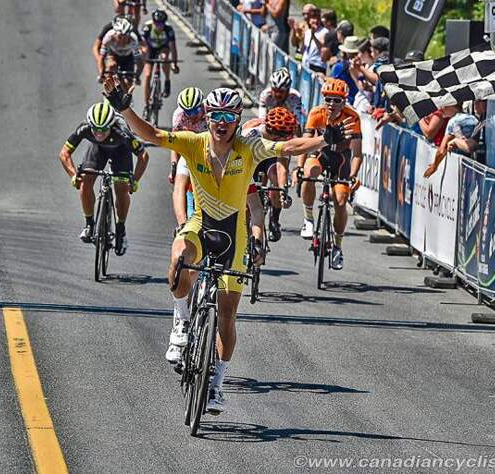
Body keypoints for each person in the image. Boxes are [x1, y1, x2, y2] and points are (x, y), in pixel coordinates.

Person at [103, 79, 358, 413]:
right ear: (207, 117)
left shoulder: (249, 147)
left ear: (238, 119)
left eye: (229, 116)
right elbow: (152, 134)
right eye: (215, 116)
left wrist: (323, 139)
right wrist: (123, 108)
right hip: (202, 223)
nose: (221, 122)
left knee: (227, 315)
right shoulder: (193, 143)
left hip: (232, 234)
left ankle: (217, 384)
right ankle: (180, 323)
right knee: (180, 258)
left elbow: (288, 148)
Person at [58, 101, 149, 255]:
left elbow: (143, 156)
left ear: (111, 125)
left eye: (103, 130)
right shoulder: (85, 128)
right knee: (84, 182)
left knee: (121, 189)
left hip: (121, 151)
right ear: (90, 125)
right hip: (98, 150)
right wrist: (73, 175)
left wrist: (135, 180)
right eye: (96, 130)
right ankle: (89, 224)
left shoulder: (122, 132)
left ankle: (121, 229)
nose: (99, 134)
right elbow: (64, 153)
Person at [294, 78, 362, 270]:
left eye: (337, 100)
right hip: (321, 154)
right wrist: (299, 167)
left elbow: (356, 153)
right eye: (328, 99)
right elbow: (304, 144)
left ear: (344, 101)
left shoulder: (352, 117)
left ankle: (338, 247)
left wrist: (353, 175)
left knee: (340, 200)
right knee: (309, 171)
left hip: (341, 158)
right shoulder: (317, 113)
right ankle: (308, 218)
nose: (331, 104)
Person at [242, 107, 299, 242]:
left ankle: (274, 219)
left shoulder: (283, 139)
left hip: (271, 159)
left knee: (274, 175)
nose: (287, 138)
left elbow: (282, 168)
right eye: (285, 136)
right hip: (250, 157)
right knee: (246, 205)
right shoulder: (250, 133)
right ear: (275, 134)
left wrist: (282, 192)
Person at [171, 88, 207, 229]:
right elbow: (174, 142)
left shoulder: (211, 112)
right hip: (189, 152)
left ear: (202, 106)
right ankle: (182, 225)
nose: (192, 115)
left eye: (195, 111)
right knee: (179, 184)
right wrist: (173, 165)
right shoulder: (179, 116)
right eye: (188, 112)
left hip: (209, 152)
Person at [423, 103, 477, 178]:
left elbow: (441, 151)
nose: (441, 108)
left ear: (453, 105)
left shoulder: (454, 121)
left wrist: (434, 166)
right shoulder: (472, 118)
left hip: (465, 167)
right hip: (476, 161)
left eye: (445, 105)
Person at [141, 9, 179, 102]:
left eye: (161, 24)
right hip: (150, 48)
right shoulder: (147, 27)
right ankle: (147, 103)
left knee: (164, 57)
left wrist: (174, 64)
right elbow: (142, 45)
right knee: (147, 75)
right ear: (153, 22)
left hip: (163, 47)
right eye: (156, 24)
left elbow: (173, 48)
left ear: (164, 23)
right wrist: (143, 59)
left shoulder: (168, 29)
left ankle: (167, 80)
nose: (159, 26)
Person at [97, 17, 142, 89]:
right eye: (120, 37)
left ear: (129, 35)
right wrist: (101, 73)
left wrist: (137, 76)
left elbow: (139, 60)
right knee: (111, 67)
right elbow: (101, 57)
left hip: (128, 57)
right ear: (115, 33)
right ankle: (109, 93)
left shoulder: (133, 39)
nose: (122, 40)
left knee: (128, 84)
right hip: (113, 55)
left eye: (125, 37)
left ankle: (126, 97)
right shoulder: (109, 37)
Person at [330, 36, 360, 103]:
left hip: (345, 102)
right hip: (359, 102)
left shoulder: (339, 67)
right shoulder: (363, 66)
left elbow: (332, 83)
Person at [301, 9, 328, 73]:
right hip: (306, 64)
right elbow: (303, 49)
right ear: (309, 20)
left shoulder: (325, 32)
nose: (315, 21)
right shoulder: (307, 32)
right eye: (313, 18)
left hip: (317, 65)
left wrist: (313, 36)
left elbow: (322, 48)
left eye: (318, 19)